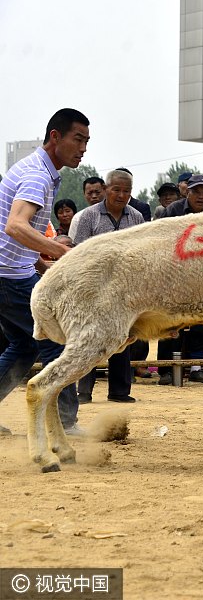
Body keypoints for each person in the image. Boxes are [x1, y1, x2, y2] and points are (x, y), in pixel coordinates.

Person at [0, 108, 89, 437]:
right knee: (57, 341)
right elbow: (15, 226)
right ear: (55, 137)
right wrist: (61, 252)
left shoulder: (39, 171)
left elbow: (12, 235)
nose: (83, 149)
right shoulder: (37, 176)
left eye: (87, 142)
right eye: (77, 139)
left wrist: (41, 264)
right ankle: (65, 423)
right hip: (9, 277)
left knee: (25, 346)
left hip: (11, 272)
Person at [71, 169, 145, 403]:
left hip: (125, 289)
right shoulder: (88, 216)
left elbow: (143, 252)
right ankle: (84, 391)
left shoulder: (136, 217)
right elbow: (78, 252)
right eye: (116, 190)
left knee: (123, 338)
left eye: (126, 191)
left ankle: (120, 391)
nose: (121, 195)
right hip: (95, 287)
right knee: (89, 338)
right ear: (105, 189)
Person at [158, 174, 203, 384]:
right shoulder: (172, 211)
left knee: (200, 321)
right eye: (196, 192)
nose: (201, 196)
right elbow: (160, 240)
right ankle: (166, 369)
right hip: (174, 275)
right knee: (170, 322)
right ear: (187, 192)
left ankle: (196, 366)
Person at [66, 175, 105, 240]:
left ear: (105, 191)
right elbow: (72, 242)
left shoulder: (117, 213)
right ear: (84, 194)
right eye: (90, 193)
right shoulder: (78, 218)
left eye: (97, 192)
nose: (94, 196)